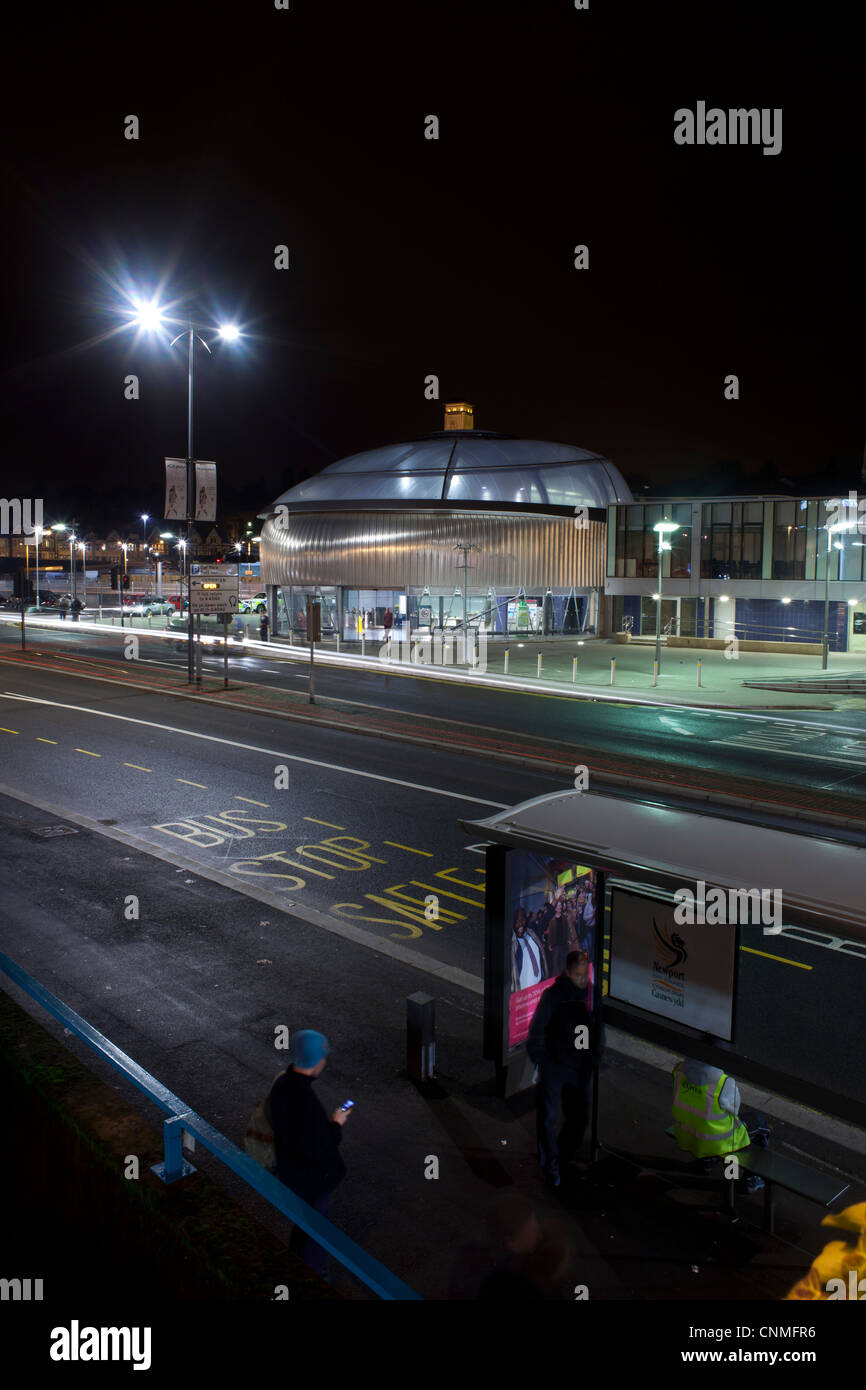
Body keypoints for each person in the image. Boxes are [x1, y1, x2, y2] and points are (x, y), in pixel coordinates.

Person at [268, 1030, 350, 1277]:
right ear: (317, 1060)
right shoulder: (304, 1100)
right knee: (317, 1230)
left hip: (290, 1171)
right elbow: (321, 1146)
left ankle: (298, 1262)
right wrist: (336, 1124)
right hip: (312, 1179)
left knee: (304, 1223)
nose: (325, 1062)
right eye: (323, 1057)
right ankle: (312, 1275)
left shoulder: (282, 1081)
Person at [527, 950, 603, 1187]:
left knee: (578, 1118)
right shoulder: (553, 996)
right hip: (557, 1067)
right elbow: (537, 1032)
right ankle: (551, 1166)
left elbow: (598, 1031)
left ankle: (561, 1159)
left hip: (578, 1068)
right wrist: (545, 1062)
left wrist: (594, 1058)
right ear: (568, 972)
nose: (582, 979)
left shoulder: (591, 994)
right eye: (578, 975)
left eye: (585, 974)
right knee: (548, 1118)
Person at [671, 1057, 769, 1191]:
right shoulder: (723, 1083)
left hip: (687, 1135)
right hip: (719, 1142)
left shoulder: (678, 1071)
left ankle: (707, 1162)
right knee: (757, 1122)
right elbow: (734, 1110)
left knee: (708, 1123)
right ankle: (742, 1179)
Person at [510, 908, 548, 992]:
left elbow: (545, 920)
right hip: (524, 994)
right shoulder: (512, 944)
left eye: (522, 920)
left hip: (539, 986)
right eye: (517, 921)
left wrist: (554, 901)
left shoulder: (532, 934)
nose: (520, 924)